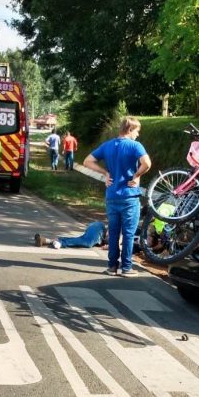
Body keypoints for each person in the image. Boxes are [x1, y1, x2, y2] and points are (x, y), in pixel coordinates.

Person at [83, 116, 151, 277]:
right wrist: (136, 175)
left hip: (112, 195)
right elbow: (147, 164)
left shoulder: (107, 145)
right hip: (129, 197)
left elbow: (87, 161)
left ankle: (112, 266)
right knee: (128, 233)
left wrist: (105, 173)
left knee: (113, 232)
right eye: (137, 131)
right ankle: (126, 267)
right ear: (130, 130)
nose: (138, 135)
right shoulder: (135, 146)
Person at [34, 221, 106, 249]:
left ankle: (46, 240)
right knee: (88, 242)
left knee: (82, 240)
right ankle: (60, 243)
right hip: (99, 228)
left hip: (99, 231)